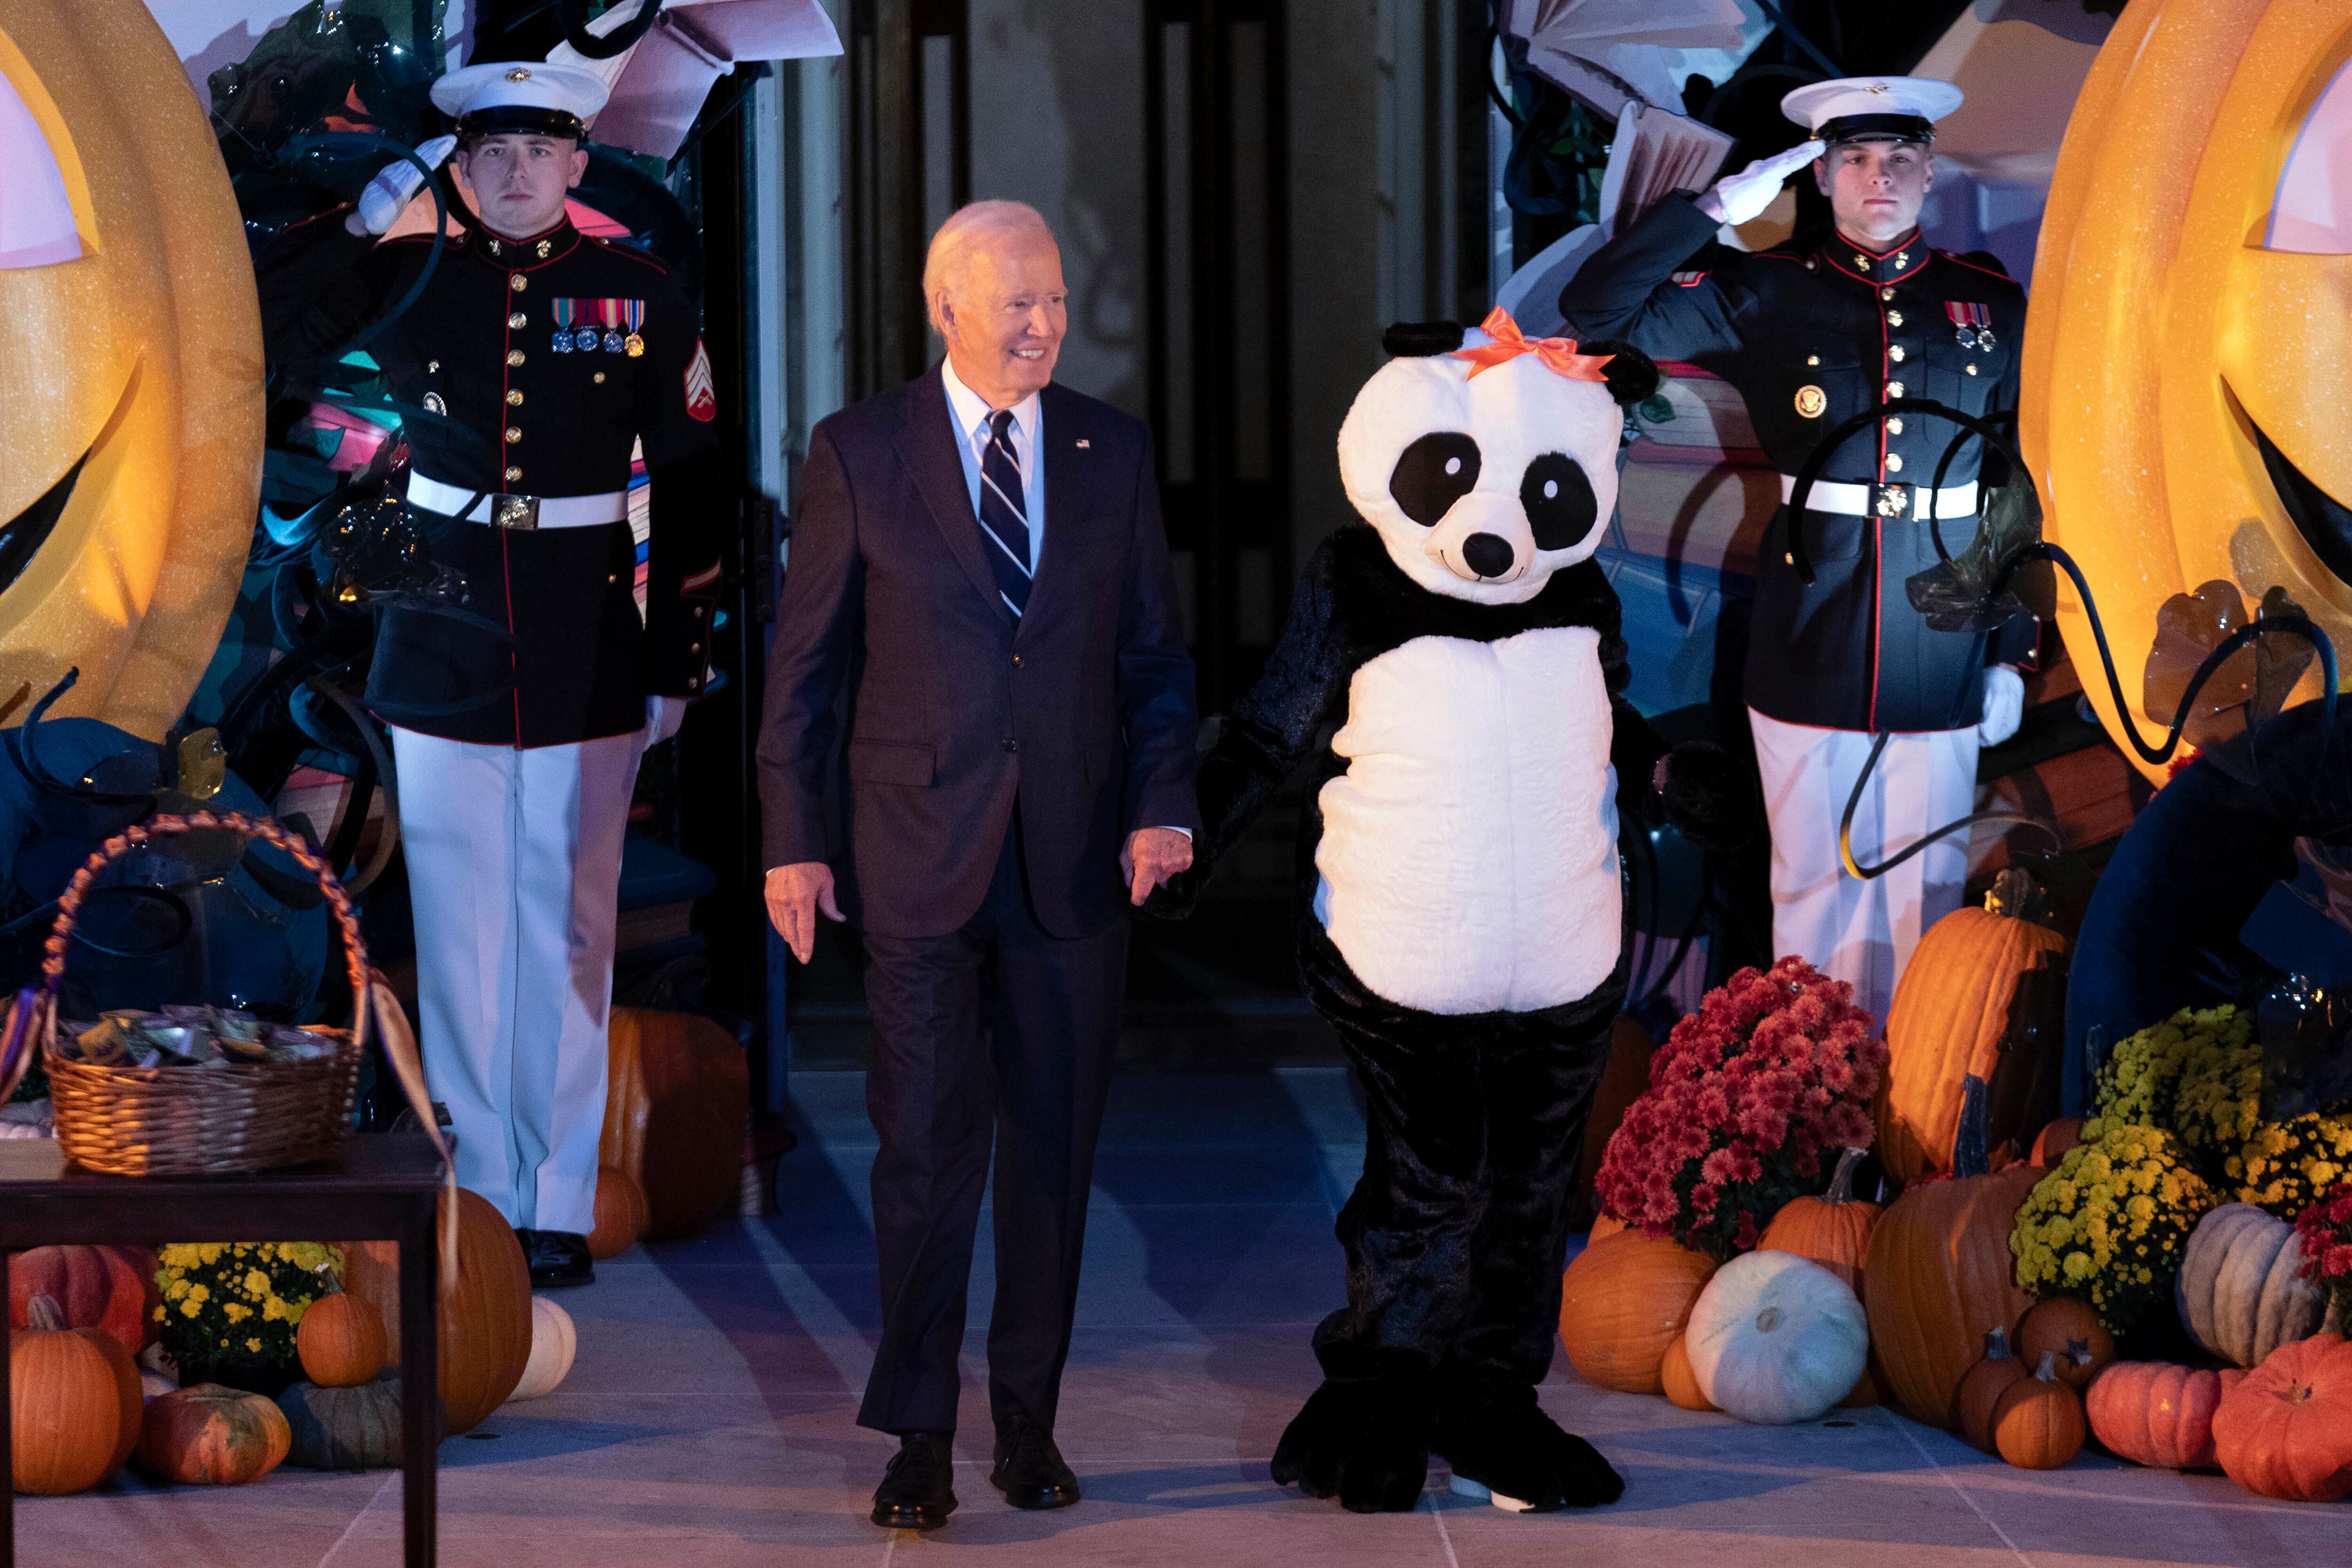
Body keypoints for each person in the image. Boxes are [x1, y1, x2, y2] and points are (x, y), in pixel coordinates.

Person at [757, 200, 1199, 1532]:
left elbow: (1154, 659)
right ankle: (918, 1436)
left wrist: (1162, 802)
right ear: (943, 305)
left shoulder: (1108, 451)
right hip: (914, 856)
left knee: (1051, 1161)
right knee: (923, 1155)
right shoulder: (861, 452)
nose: (1044, 324)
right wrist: (792, 836)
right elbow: (808, 670)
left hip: (1071, 867)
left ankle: (1028, 1426)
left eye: (1055, 299)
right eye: (1017, 303)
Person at [254, 61, 725, 1288]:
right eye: (492, 151)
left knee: (566, 918)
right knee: (461, 915)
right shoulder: (412, 268)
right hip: (444, 603)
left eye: (541, 149)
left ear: (580, 162)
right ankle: (478, 1187)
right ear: (461, 164)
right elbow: (270, 327)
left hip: (584, 611)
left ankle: (560, 1190)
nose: (516, 172)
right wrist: (361, 224)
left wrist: (679, 652)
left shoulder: (637, 291)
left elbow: (689, 484)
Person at [1557, 76, 2031, 1026]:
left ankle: (1906, 1142)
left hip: (1938, 635)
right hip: (1810, 622)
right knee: (1810, 889)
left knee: (1927, 894)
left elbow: (2013, 481)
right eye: (1853, 158)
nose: (1878, 178)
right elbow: (1595, 310)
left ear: (1931, 171)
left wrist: (2013, 645)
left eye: (1899, 157)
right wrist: (1709, 212)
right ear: (1818, 176)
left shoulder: (1985, 301)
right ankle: (1812, 1123)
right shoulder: (1771, 292)